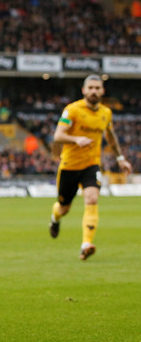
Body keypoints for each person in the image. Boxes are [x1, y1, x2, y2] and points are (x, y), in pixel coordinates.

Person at [49, 74, 132, 260]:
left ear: (102, 91)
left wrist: (120, 158)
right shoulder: (72, 110)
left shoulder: (106, 113)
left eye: (97, 88)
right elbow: (58, 136)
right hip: (69, 166)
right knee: (64, 208)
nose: (94, 91)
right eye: (91, 88)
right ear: (84, 90)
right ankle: (55, 219)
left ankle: (86, 244)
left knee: (92, 199)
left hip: (91, 165)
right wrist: (75, 139)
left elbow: (110, 136)